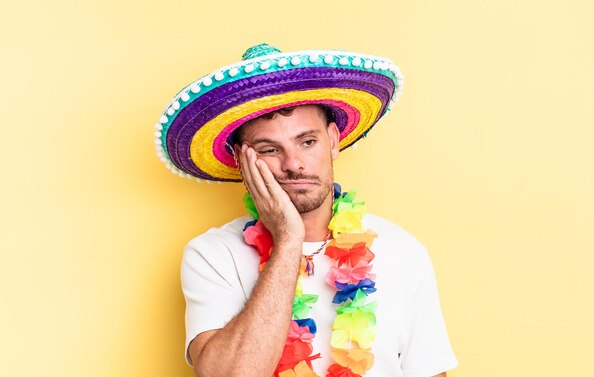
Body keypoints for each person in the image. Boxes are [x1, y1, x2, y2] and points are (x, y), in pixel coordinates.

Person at [154, 43, 457, 377]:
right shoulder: (212, 255)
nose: (293, 164)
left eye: (307, 142)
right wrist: (288, 240)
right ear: (242, 161)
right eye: (270, 149)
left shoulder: (402, 250)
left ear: (333, 140)